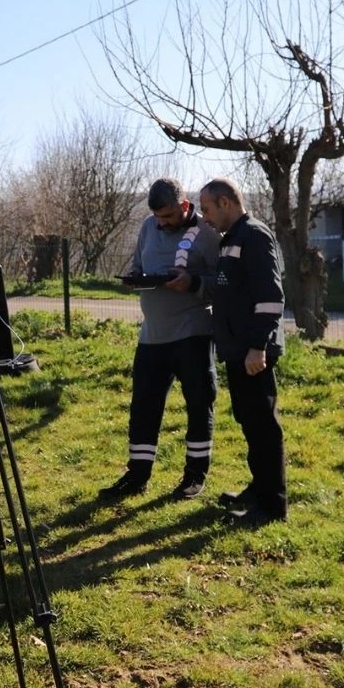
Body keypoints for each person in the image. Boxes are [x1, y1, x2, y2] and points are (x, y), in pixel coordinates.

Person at [99, 178, 221, 501]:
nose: (161, 223)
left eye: (167, 217)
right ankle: (137, 475)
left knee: (199, 403)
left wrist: (193, 282)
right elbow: (139, 265)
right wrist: (136, 280)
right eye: (157, 217)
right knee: (143, 407)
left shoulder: (208, 235)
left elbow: (224, 282)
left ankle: (195, 476)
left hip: (193, 333)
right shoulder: (147, 227)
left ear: (184, 206)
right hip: (152, 335)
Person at [196, 177, 287, 526]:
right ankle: (258, 489)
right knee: (249, 422)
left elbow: (270, 297)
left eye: (206, 209)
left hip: (252, 352)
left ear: (224, 203)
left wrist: (257, 346)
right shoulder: (230, 239)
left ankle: (272, 506)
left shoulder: (254, 235)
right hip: (237, 349)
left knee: (263, 427)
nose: (204, 217)